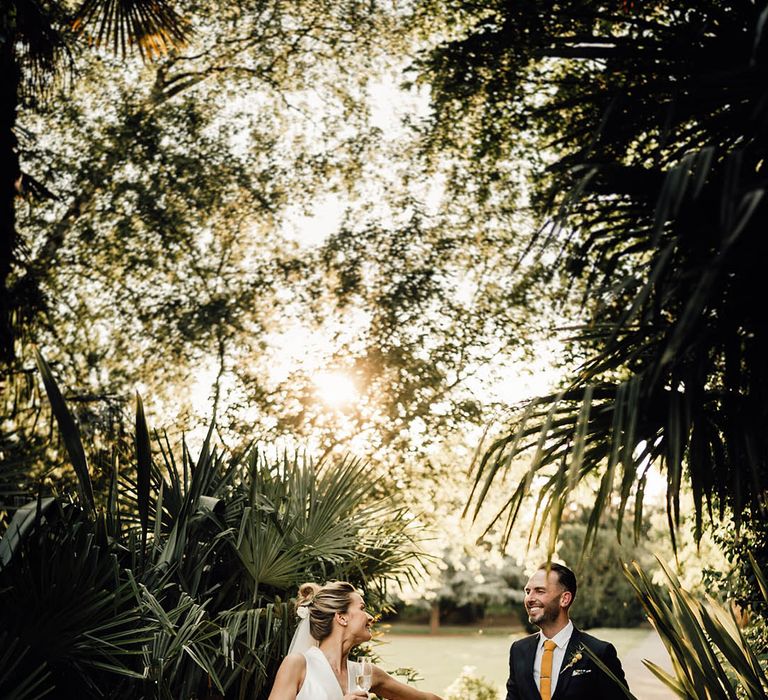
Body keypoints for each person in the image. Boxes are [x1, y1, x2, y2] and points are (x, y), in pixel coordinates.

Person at [268, 581, 444, 700]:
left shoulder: (366, 673)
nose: (370, 617)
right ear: (341, 618)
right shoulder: (298, 664)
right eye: (362, 608)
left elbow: (426, 699)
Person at [505, 563, 629, 700]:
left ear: (564, 599)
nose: (529, 598)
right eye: (528, 592)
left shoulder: (599, 652)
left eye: (540, 591)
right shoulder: (518, 650)